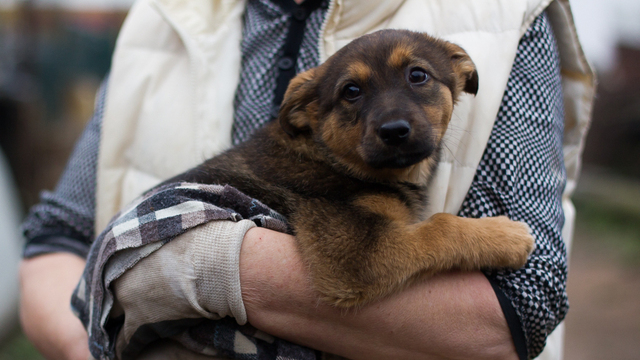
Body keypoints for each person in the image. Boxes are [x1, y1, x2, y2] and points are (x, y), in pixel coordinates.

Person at [19, 0, 594, 359]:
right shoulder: (159, 18)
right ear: (306, 117)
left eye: (418, 78)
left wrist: (205, 262)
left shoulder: (502, 16)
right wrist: (96, 346)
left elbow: (530, 299)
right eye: (353, 94)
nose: (391, 118)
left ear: (461, 76)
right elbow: (56, 235)